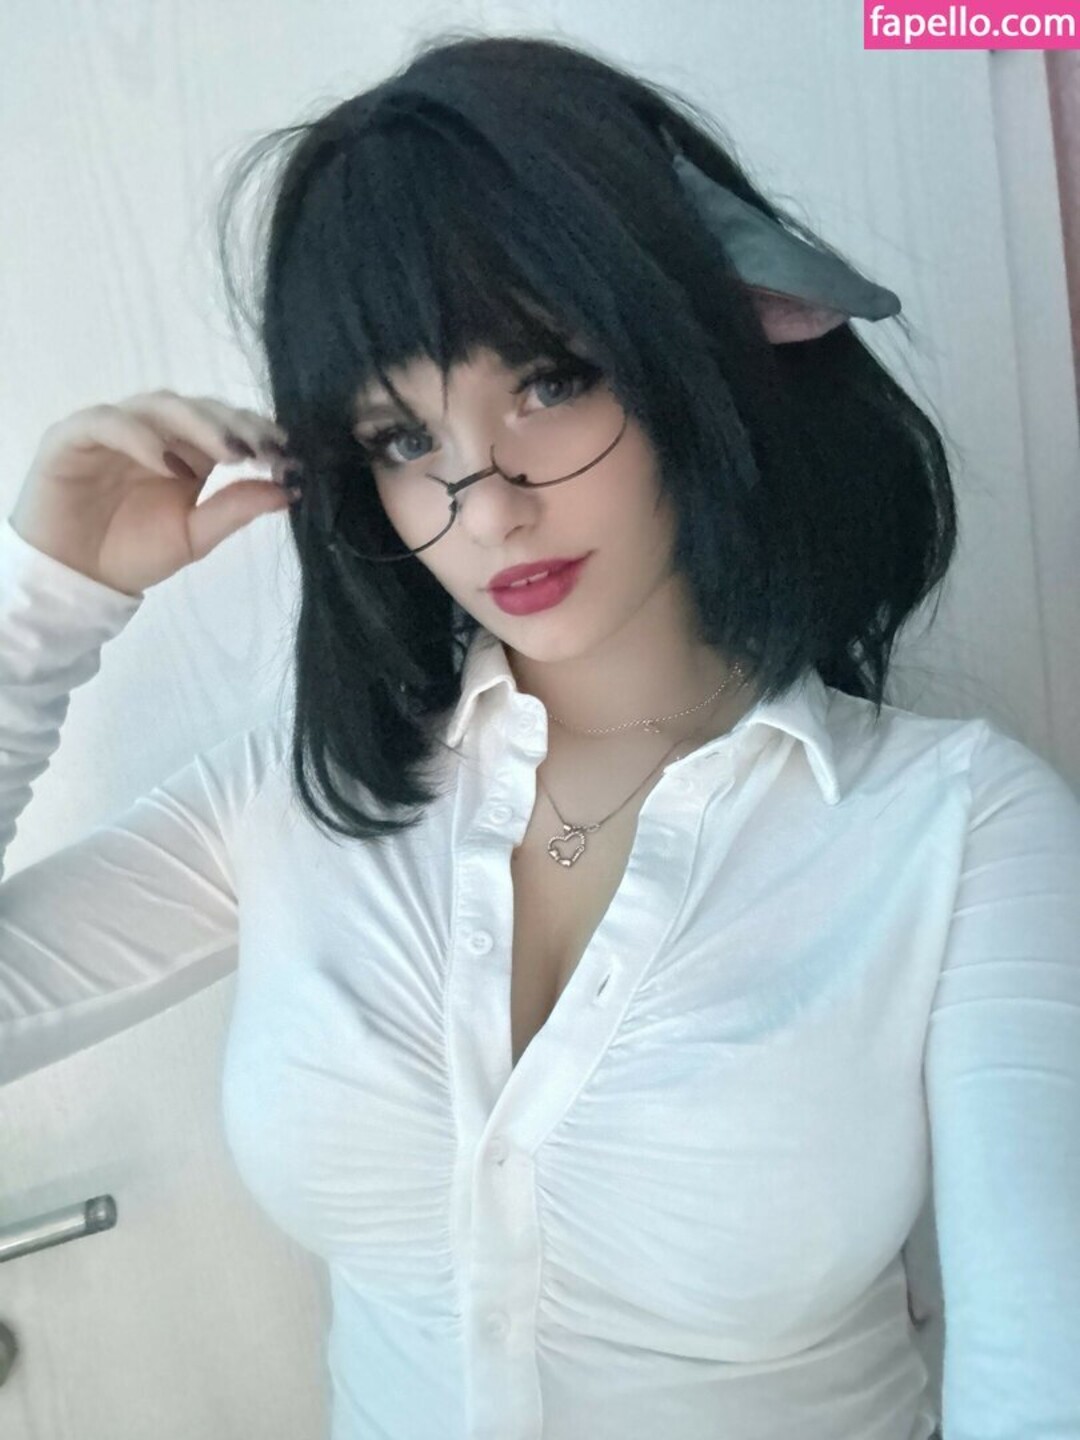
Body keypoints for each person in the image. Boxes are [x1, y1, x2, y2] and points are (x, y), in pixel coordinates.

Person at [2, 30, 1078, 1440]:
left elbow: (1044, 1363)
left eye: (551, 380)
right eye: (402, 438)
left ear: (694, 352)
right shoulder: (297, 798)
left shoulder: (964, 830)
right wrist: (46, 598)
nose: (491, 506)